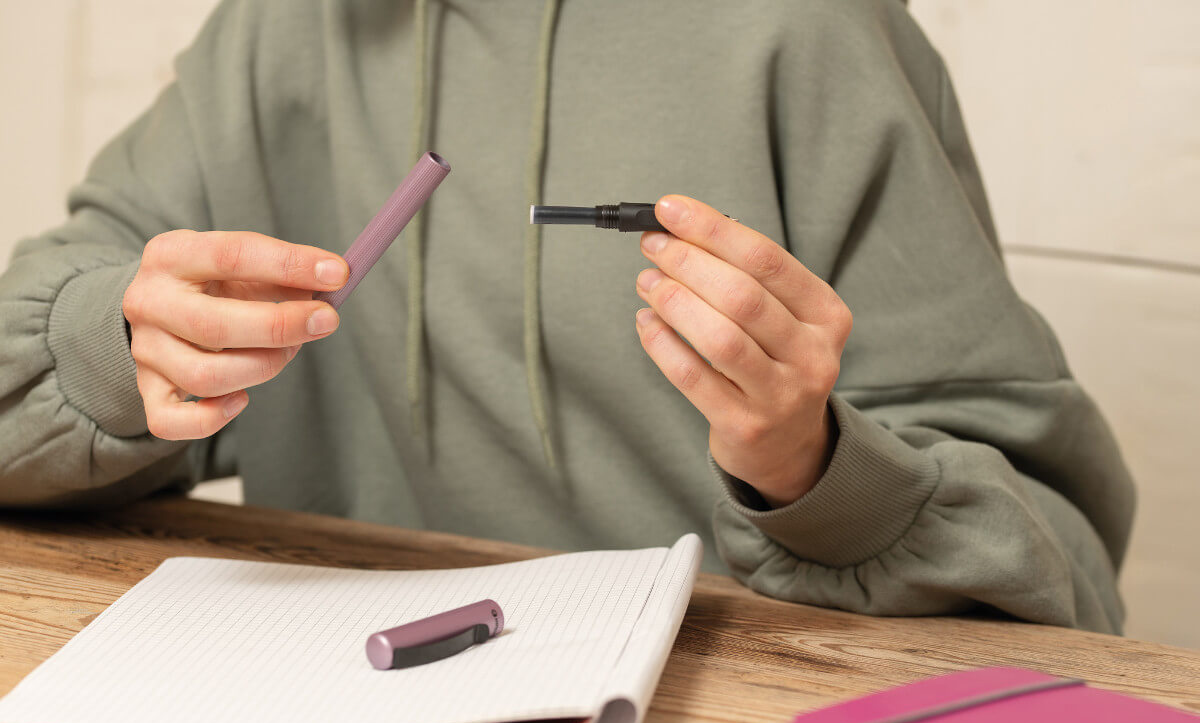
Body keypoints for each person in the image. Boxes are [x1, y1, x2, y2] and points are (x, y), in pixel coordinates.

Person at [0, 0, 1134, 633]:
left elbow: (1061, 575)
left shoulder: (807, 30)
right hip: (336, 720)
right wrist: (125, 347)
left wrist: (812, 467)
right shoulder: (274, 32)